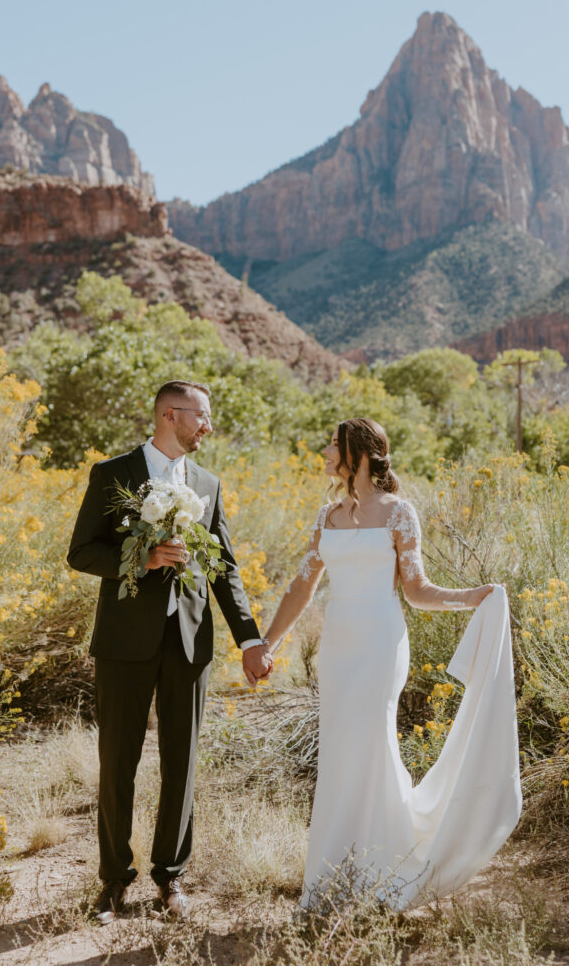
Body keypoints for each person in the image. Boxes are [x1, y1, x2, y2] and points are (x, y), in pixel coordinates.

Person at [263, 418, 522, 909]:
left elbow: (417, 591)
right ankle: (333, 878)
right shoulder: (327, 516)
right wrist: (269, 643)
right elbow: (302, 587)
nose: (323, 450)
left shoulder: (400, 513)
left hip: (381, 645)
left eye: (331, 444)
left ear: (356, 453)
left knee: (373, 743)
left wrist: (474, 597)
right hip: (339, 648)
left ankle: (385, 871)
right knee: (340, 750)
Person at [67, 380, 273, 923]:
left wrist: (250, 639)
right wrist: (143, 560)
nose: (207, 426)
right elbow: (81, 552)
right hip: (122, 644)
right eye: (201, 417)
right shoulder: (113, 473)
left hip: (190, 643)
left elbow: (224, 567)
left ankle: (171, 879)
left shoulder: (207, 482)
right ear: (168, 414)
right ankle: (113, 881)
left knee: (181, 763)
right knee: (118, 764)